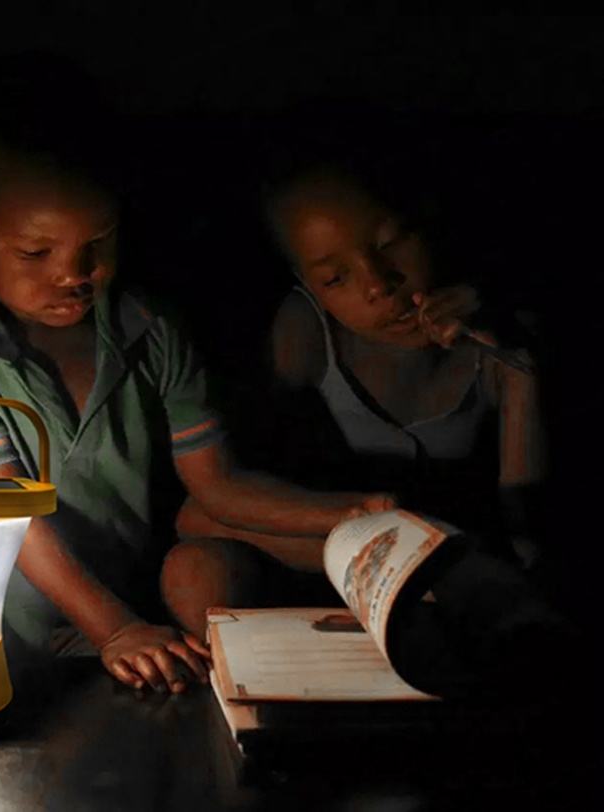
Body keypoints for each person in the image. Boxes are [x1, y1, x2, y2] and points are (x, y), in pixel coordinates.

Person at [0, 56, 393, 695]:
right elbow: (2, 511)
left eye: (99, 241)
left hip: (112, 621)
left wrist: (353, 512)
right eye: (36, 251)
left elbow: (217, 485)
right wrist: (114, 628)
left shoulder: (149, 330)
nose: (74, 273)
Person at [179, 160, 544, 569]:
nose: (377, 285)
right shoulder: (308, 333)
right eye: (335, 278)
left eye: (391, 243)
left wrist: (521, 367)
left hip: (468, 550)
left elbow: (527, 532)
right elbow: (225, 498)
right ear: (308, 285)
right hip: (345, 549)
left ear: (426, 219)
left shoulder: (498, 338)